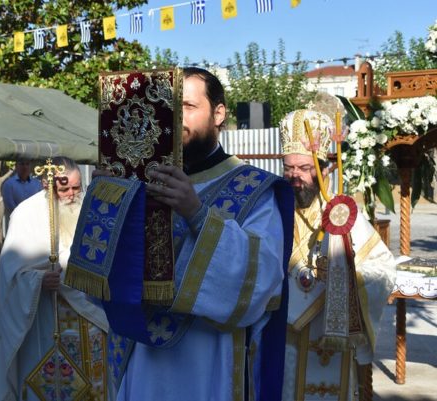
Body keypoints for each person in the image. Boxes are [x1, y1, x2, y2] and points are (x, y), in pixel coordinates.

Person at [87, 67, 294, 401]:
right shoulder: (136, 181)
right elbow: (100, 284)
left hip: (208, 363)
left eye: (187, 106)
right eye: (169, 107)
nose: (175, 117)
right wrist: (105, 205)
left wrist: (197, 213)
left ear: (219, 114)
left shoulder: (253, 188)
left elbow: (262, 281)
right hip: (141, 359)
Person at [279, 108, 396, 400]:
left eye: (304, 168)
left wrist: (346, 280)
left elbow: (384, 268)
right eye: (288, 168)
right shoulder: (271, 209)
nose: (295, 177)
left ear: (324, 170)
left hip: (328, 338)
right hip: (282, 340)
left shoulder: (342, 214)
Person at [0, 156, 109, 401]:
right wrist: (38, 280)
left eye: (76, 188)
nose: (71, 195)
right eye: (64, 189)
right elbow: (10, 274)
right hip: (48, 317)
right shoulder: (26, 214)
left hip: (90, 313)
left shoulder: (87, 207)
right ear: (47, 185)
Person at [1, 159, 42, 232]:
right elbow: (10, 206)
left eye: (27, 164)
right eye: (22, 164)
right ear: (16, 166)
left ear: (30, 166)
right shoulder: (8, 184)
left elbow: (40, 204)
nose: (25, 167)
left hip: (35, 225)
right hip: (16, 225)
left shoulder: (37, 184)